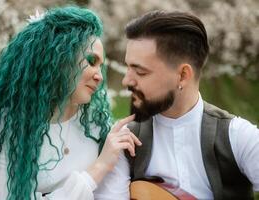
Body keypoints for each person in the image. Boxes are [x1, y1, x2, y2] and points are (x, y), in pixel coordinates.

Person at [0, 6, 141, 200]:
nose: (99, 76)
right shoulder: (1, 128)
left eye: (101, 65)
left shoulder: (96, 124)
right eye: (91, 61)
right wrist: (98, 169)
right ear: (59, 59)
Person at [94, 11, 259, 200]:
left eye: (140, 72)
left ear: (182, 75)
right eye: (128, 67)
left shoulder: (238, 137)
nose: (126, 81)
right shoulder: (124, 140)